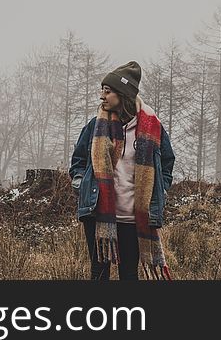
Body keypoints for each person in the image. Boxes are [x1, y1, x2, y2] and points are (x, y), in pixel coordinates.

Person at [69, 61, 175, 280]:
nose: (102, 96)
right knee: (99, 274)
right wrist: (82, 185)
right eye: (102, 90)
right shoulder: (95, 126)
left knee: (129, 275)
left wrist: (160, 190)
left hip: (133, 218)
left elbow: (167, 162)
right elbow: (78, 162)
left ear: (123, 94)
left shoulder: (152, 128)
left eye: (107, 91)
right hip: (99, 214)